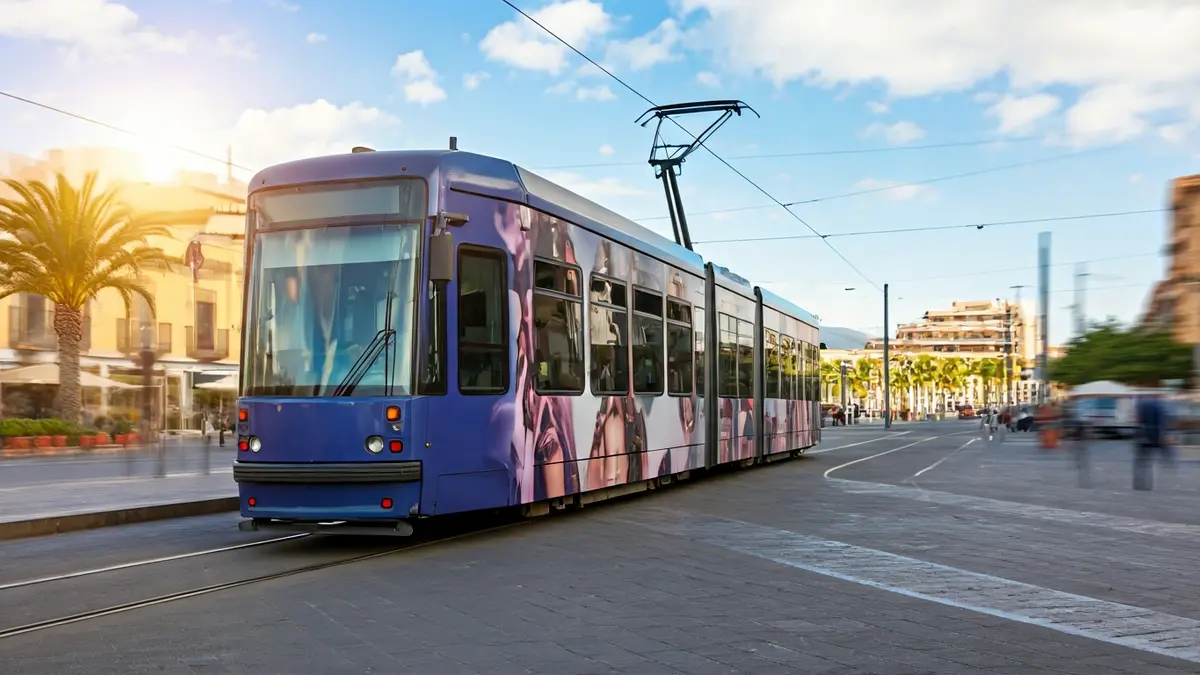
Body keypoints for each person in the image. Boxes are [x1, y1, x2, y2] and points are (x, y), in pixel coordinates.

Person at [1133, 394, 1173, 490]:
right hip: (1155, 436)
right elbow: (1161, 423)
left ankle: (1139, 483)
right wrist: (1162, 436)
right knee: (1148, 460)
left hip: (1143, 436)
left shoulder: (1141, 405)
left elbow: (1138, 421)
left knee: (1141, 461)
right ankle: (1167, 460)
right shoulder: (1159, 406)